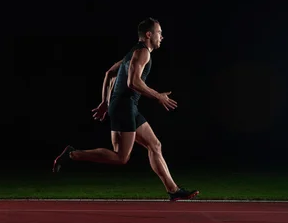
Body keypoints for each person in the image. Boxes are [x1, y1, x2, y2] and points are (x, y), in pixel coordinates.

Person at [53, 18, 199, 201]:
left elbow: (110, 73)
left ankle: (173, 190)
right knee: (121, 157)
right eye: (159, 32)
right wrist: (158, 96)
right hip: (124, 107)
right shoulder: (143, 53)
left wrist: (105, 102)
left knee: (155, 145)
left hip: (126, 106)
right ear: (149, 34)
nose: (162, 36)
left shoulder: (133, 53)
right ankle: (72, 154)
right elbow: (133, 82)